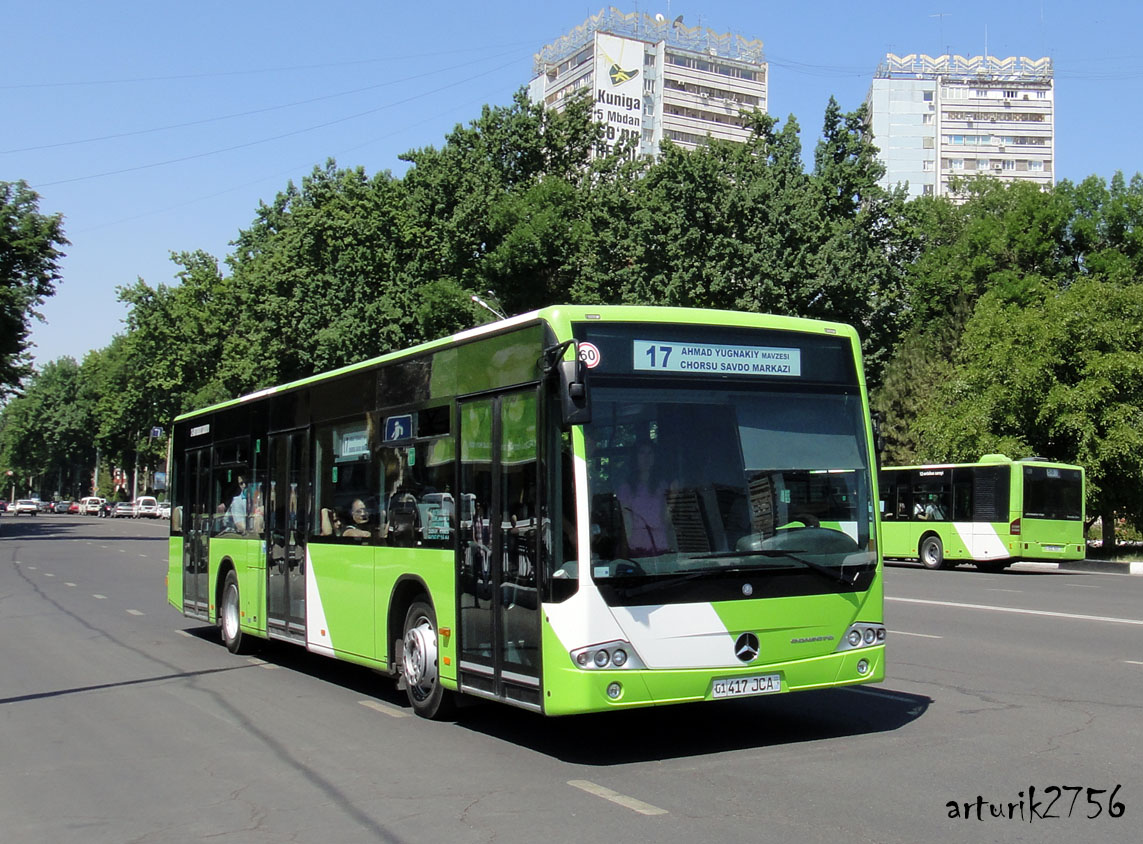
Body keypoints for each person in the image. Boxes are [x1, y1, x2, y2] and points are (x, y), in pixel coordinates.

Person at [616, 439, 671, 557]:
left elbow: (666, 517)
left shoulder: (663, 485)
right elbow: (627, 521)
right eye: (642, 453)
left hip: (661, 545)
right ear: (635, 457)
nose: (646, 458)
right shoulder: (626, 488)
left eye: (650, 453)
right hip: (637, 547)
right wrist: (627, 548)